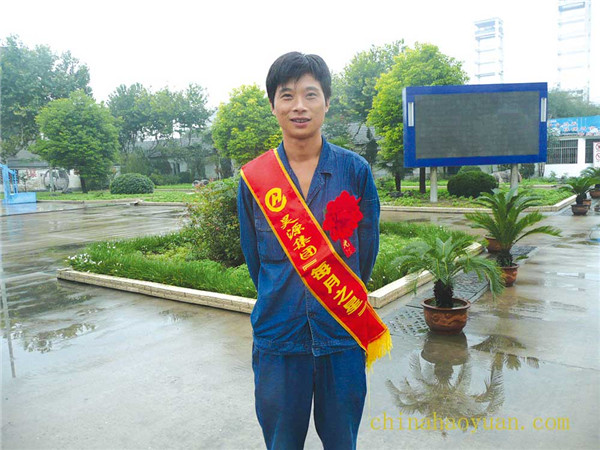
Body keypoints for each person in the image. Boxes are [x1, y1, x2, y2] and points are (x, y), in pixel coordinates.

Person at [237, 51, 385, 450]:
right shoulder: (255, 179)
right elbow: (254, 259)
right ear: (273, 105)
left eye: (310, 94)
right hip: (278, 338)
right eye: (287, 95)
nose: (299, 106)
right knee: (281, 444)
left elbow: (365, 252)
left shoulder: (354, 171)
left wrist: (333, 290)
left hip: (340, 334)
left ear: (327, 102)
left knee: (342, 442)